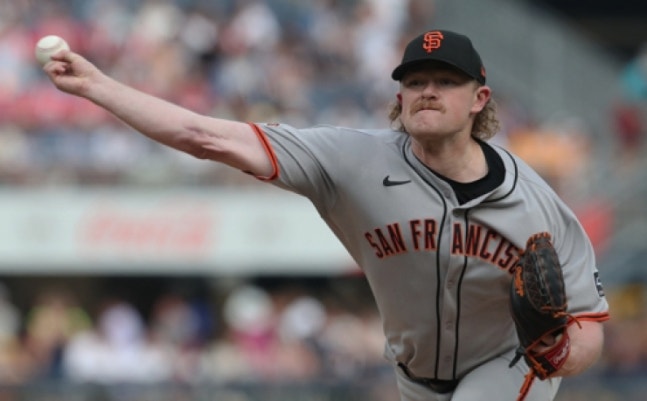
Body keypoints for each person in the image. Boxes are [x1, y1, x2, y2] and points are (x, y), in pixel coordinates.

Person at [43, 29, 609, 401]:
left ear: (479, 99)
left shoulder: (535, 204)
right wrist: (97, 86)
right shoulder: (351, 161)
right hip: (415, 375)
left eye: (445, 81)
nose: (427, 91)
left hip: (507, 361)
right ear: (399, 98)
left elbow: (588, 324)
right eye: (415, 82)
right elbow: (203, 136)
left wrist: (559, 353)